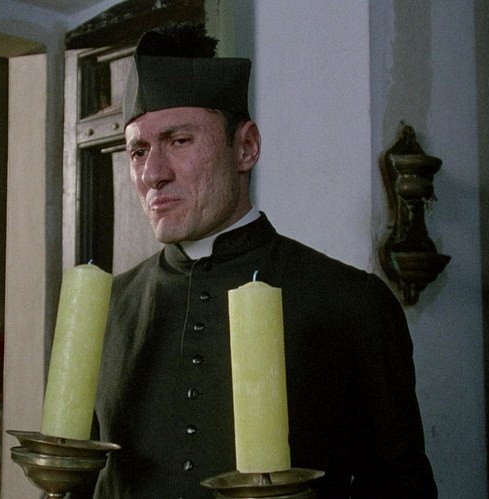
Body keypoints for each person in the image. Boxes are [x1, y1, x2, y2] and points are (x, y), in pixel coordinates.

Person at [90, 24, 438, 498]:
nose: (152, 173)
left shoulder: (352, 302)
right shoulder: (106, 307)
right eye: (138, 150)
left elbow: (402, 487)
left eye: (179, 140)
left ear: (246, 147)